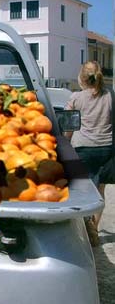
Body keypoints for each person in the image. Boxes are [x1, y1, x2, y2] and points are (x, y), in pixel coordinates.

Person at [64, 61, 113, 245]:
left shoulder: (76, 98)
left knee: (82, 191)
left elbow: (68, 126)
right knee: (100, 190)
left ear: (82, 78)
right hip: (106, 148)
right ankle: (95, 230)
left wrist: (65, 142)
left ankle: (85, 229)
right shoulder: (110, 95)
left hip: (82, 148)